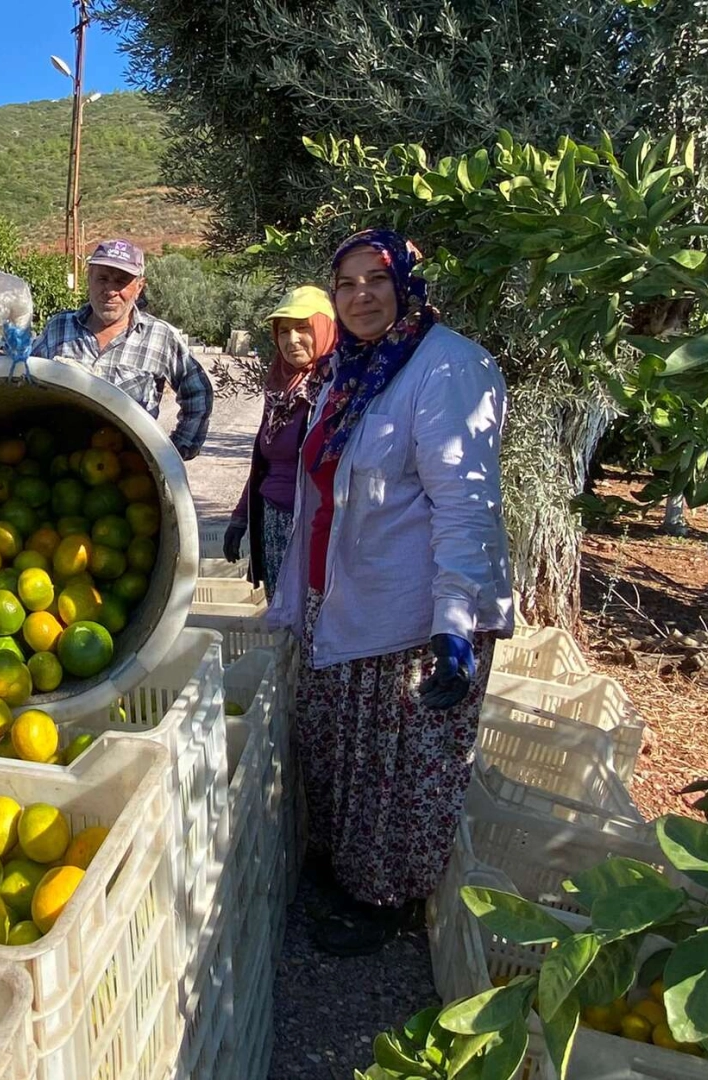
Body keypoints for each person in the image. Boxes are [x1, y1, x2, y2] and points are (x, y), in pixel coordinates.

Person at [266, 229, 512, 955]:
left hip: (414, 611)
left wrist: (454, 624)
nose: (360, 295)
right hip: (342, 593)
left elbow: (466, 507)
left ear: (407, 282)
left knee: (398, 767)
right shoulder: (351, 368)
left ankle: (385, 902)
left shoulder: (448, 369)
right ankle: (347, 873)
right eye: (344, 284)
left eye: (375, 278)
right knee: (342, 752)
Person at [31, 238, 215, 460]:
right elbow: (25, 383)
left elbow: (197, 391)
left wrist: (175, 452)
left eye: (121, 281)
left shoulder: (159, 337)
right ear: (89, 278)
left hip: (129, 471)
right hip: (59, 465)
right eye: (102, 278)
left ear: (139, 287)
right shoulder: (59, 328)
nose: (110, 290)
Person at [223, 286, 337, 600]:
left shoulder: (336, 390)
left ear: (325, 328)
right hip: (273, 523)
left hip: (314, 527)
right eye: (283, 331)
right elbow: (264, 462)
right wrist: (241, 518)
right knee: (284, 624)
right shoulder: (279, 387)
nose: (292, 340)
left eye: (303, 328)